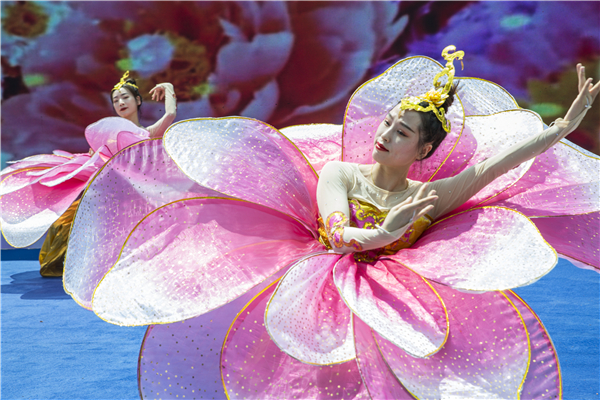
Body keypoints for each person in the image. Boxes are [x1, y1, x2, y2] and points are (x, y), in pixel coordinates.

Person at [65, 46, 598, 398]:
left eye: (402, 132)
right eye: (388, 122)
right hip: (321, 282)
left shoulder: (429, 195)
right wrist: (384, 233)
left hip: (398, 291)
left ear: (422, 150)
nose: (385, 134)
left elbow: (495, 166)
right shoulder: (340, 173)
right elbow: (339, 234)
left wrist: (562, 126)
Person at [0, 71, 177, 276]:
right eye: (116, 100)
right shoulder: (106, 134)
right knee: (63, 223)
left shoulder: (148, 132)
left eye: (125, 97)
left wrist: (168, 87)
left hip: (137, 198)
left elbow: (170, 114)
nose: (120, 103)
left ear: (137, 100)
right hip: (106, 195)